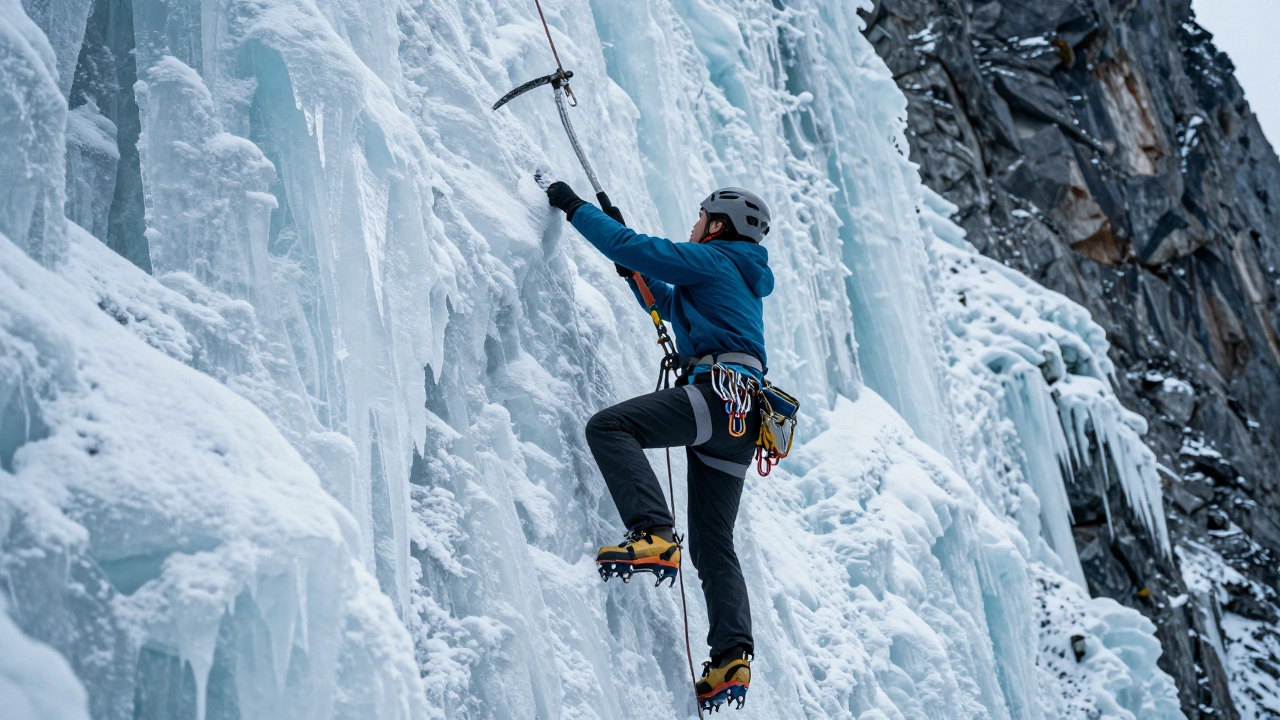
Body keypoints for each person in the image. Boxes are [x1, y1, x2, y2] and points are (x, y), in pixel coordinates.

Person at [544, 180, 773, 712]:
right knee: (714, 545)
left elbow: (635, 249)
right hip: (743, 421)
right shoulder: (735, 274)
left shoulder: (714, 259)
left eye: (700, 218)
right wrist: (635, 268)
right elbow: (666, 299)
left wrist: (576, 209)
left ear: (717, 225)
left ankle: (652, 532)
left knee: (610, 428)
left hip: (715, 394)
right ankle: (730, 659)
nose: (693, 226)